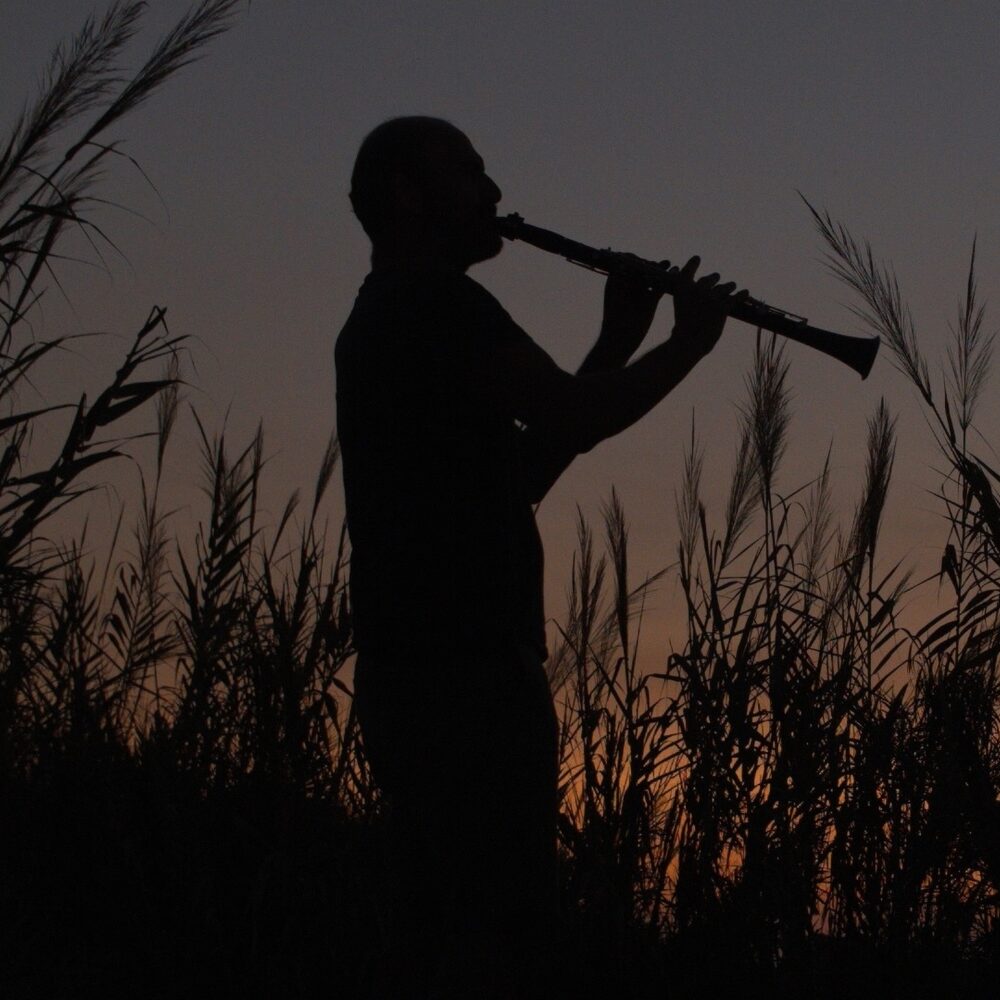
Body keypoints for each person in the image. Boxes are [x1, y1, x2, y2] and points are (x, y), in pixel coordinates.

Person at [335, 116, 745, 1000]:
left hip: (422, 675)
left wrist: (612, 347)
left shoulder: (387, 316)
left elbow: (516, 472)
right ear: (410, 192)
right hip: (465, 677)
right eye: (470, 172)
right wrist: (688, 343)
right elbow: (574, 416)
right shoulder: (437, 302)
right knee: (501, 938)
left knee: (446, 931)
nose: (491, 193)